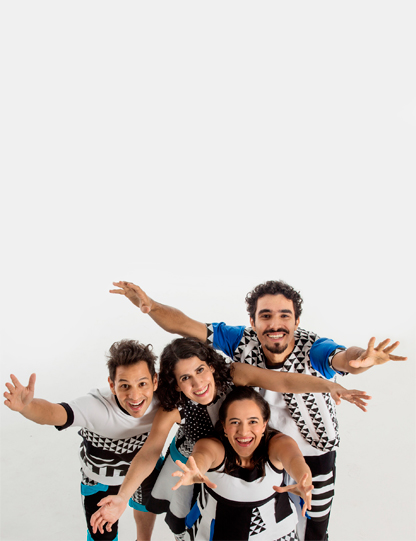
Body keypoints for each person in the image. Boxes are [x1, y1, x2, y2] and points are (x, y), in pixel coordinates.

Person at [108, 280, 407, 541]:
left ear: (297, 320)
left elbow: (330, 364)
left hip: (290, 447)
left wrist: (340, 378)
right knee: (206, 516)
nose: (275, 324)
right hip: (225, 452)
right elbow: (185, 325)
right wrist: (150, 306)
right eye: (266, 316)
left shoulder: (300, 351)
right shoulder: (236, 346)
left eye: (284, 315)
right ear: (252, 321)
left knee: (309, 519)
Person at [90, 337, 369, 539]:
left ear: (212, 366)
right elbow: (150, 451)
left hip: (241, 444)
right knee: (187, 516)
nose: (197, 383)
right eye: (185, 378)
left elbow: (282, 381)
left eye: (200, 370)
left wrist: (329, 386)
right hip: (196, 459)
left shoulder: (233, 374)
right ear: (175, 383)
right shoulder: (173, 407)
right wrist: (122, 497)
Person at [3, 339, 161, 541]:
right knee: (101, 536)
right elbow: (54, 413)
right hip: (102, 480)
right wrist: (28, 406)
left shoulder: (163, 400)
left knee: (145, 509)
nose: (135, 395)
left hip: (144, 472)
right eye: (124, 385)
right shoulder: (96, 407)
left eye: (142, 384)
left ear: (155, 381)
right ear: (112, 385)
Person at [171, 386, 313, 541]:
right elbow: (202, 455)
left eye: (253, 421)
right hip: (214, 532)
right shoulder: (213, 445)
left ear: (264, 424)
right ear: (224, 426)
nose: (244, 432)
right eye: (235, 422)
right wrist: (195, 469)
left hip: (276, 534)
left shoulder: (278, 443)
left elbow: (294, 459)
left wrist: (303, 480)